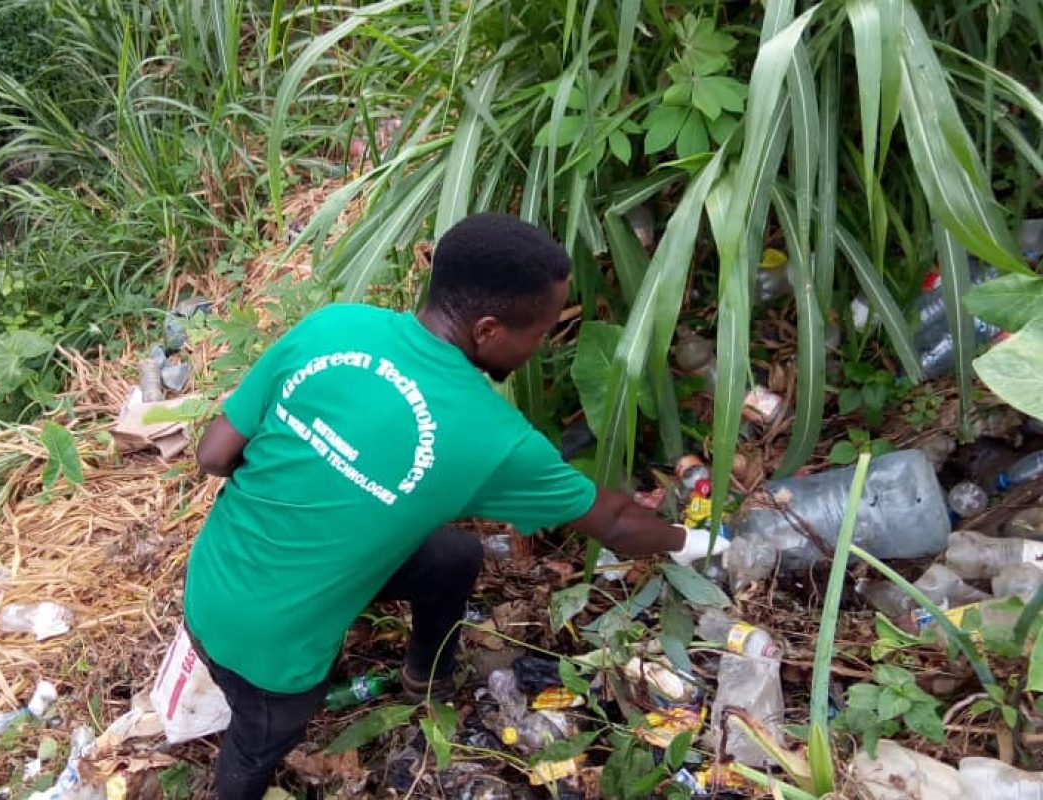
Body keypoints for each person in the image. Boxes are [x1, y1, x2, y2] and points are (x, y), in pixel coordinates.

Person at [184, 212, 729, 799]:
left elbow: (213, 454)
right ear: (489, 331)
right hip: (272, 658)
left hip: (207, 583)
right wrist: (702, 541)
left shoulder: (333, 327)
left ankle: (425, 676)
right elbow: (618, 523)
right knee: (258, 741)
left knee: (453, 557)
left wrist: (319, 475)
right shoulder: (493, 436)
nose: (541, 346)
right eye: (540, 332)